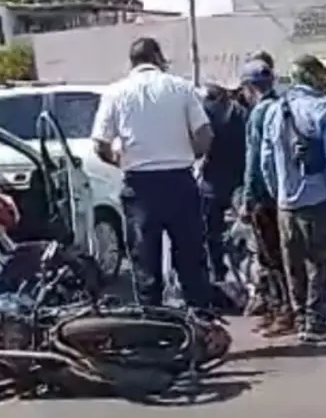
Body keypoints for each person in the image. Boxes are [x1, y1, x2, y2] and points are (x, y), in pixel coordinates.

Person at [90, 37, 214, 308]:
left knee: (145, 262)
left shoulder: (115, 92)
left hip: (140, 185)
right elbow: (204, 134)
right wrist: (189, 156)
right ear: (157, 58)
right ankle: (201, 325)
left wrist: (121, 162)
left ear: (131, 62)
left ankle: (153, 328)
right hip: (180, 181)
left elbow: (100, 143)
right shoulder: (181, 88)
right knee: (191, 258)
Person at [260, 55, 326, 342]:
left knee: (293, 265)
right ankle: (315, 322)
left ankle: (299, 319)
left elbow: (266, 161)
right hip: (317, 198)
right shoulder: (324, 109)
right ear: (311, 76)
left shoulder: (273, 111)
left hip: (286, 203)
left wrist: (277, 192)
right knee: (319, 263)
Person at [238, 59, 289, 334]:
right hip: (284, 193)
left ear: (248, 88)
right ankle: (283, 309)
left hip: (264, 197)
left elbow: (254, 160)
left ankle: (281, 311)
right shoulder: (280, 106)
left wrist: (248, 199)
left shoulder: (258, 114)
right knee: (284, 255)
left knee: (270, 257)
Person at [198, 83, 247, 281]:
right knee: (246, 231)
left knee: (211, 233)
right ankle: (245, 273)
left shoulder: (203, 115)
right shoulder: (241, 114)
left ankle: (218, 273)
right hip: (239, 178)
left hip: (212, 181)